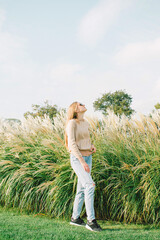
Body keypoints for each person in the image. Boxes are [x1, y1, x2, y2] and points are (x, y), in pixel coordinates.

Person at [65, 101, 102, 232]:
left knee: (81, 189)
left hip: (88, 156)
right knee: (90, 185)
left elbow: (85, 139)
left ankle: (75, 218)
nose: (84, 104)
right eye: (80, 104)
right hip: (78, 159)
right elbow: (72, 144)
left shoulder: (85, 122)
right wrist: (82, 161)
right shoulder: (72, 123)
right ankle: (91, 221)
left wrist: (91, 146)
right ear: (75, 109)